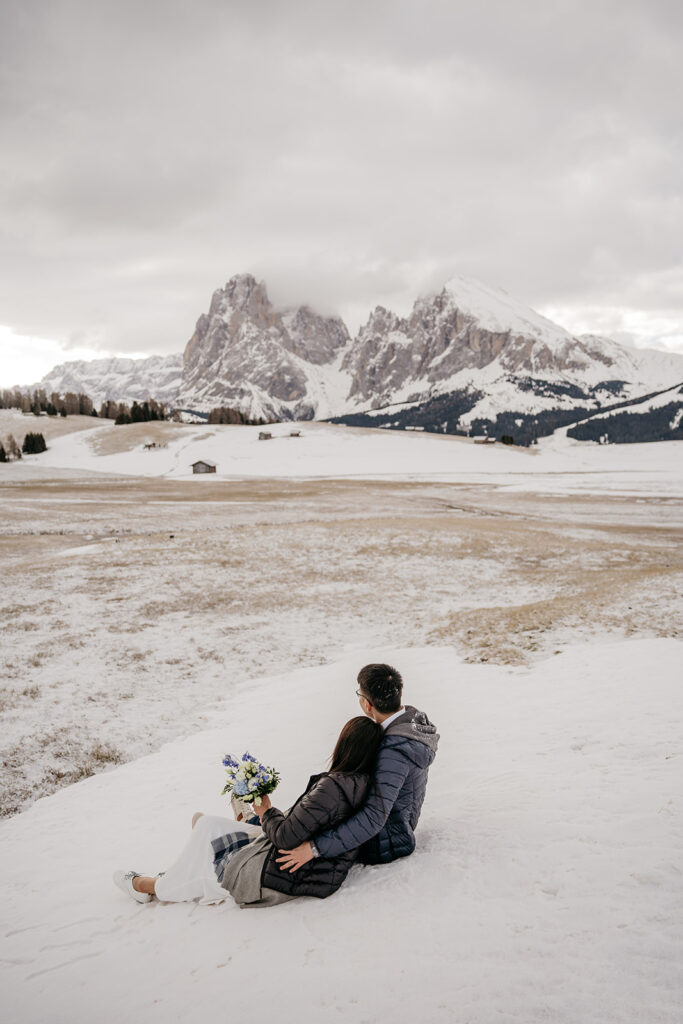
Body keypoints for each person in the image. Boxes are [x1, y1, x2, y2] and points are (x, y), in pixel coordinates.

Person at [113, 715, 383, 909]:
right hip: (310, 871)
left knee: (207, 835)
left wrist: (267, 811)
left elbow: (286, 837)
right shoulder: (361, 785)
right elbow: (312, 822)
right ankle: (188, 860)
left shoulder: (335, 787)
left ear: (345, 745)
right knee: (208, 828)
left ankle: (150, 887)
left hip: (282, 874)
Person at [276, 663, 438, 874]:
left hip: (385, 843)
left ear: (367, 704)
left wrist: (315, 849)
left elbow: (374, 816)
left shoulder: (394, 751)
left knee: (293, 835)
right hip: (397, 826)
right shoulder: (411, 725)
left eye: (360, 694)